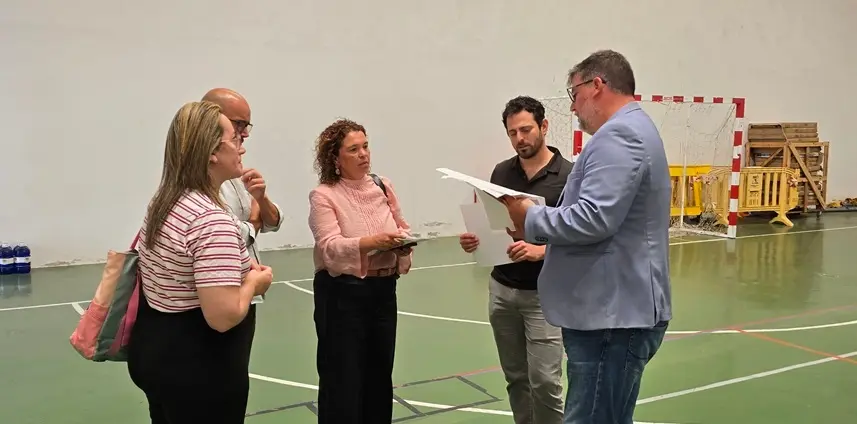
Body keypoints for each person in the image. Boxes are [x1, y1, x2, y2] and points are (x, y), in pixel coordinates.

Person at [500, 50, 672, 424]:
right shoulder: (636, 128)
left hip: (611, 316)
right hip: (616, 312)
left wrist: (530, 216)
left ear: (596, 86)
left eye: (574, 94)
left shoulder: (619, 135)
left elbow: (594, 218)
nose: (573, 107)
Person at [127, 100, 274, 423]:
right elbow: (222, 317)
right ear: (212, 153)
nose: (242, 147)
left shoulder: (166, 200)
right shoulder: (211, 221)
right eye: (234, 139)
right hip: (198, 369)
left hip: (157, 351)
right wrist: (254, 283)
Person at [459, 96, 570, 424]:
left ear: (544, 127)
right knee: (517, 378)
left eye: (525, 130)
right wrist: (476, 240)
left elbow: (580, 235)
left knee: (546, 382)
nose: (519, 138)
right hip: (502, 292)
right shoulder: (501, 172)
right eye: (512, 133)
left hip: (545, 297)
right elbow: (496, 225)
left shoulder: (569, 176)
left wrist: (542, 251)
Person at [307, 118, 413, 424]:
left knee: (380, 375)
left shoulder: (383, 185)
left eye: (365, 146)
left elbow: (402, 226)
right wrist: (372, 243)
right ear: (335, 158)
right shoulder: (324, 195)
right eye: (353, 149)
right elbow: (330, 248)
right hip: (342, 295)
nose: (363, 154)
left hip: (384, 291)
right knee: (343, 379)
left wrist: (403, 244)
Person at [201, 88, 285, 265]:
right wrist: (253, 223)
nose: (246, 133)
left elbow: (273, 222)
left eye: (247, 125)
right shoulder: (199, 182)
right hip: (228, 279)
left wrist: (261, 199)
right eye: (239, 124)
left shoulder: (232, 171)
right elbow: (227, 237)